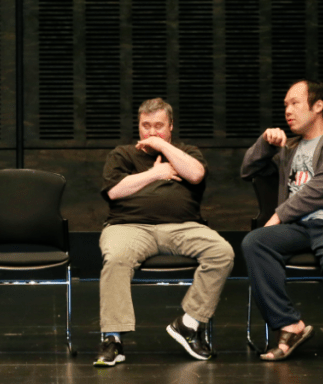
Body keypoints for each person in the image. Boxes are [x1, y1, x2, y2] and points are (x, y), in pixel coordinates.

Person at [240, 79, 323, 361]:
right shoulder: (288, 148)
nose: (288, 110)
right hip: (300, 227)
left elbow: (322, 187)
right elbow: (247, 169)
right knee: (255, 242)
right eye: (285, 105)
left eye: (295, 103)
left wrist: (279, 215)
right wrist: (265, 144)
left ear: (318, 106)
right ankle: (289, 325)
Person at [94, 98, 234, 367]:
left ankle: (188, 323)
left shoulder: (187, 151)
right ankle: (113, 339)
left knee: (222, 252)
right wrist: (156, 173)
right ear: (138, 126)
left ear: (171, 126)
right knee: (116, 258)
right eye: (146, 126)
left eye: (159, 126)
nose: (151, 131)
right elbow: (114, 191)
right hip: (128, 226)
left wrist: (161, 146)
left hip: (183, 226)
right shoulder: (122, 154)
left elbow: (195, 174)